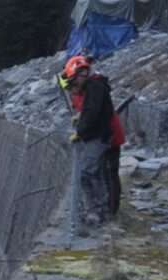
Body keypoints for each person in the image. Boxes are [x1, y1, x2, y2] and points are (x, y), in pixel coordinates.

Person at [60, 55, 116, 234]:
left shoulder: (95, 87)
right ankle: (98, 209)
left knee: (87, 172)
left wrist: (80, 131)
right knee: (94, 172)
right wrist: (81, 117)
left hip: (98, 137)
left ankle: (97, 210)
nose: (74, 88)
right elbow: (89, 110)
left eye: (74, 82)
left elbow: (92, 112)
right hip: (97, 135)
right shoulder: (93, 87)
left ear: (80, 74)